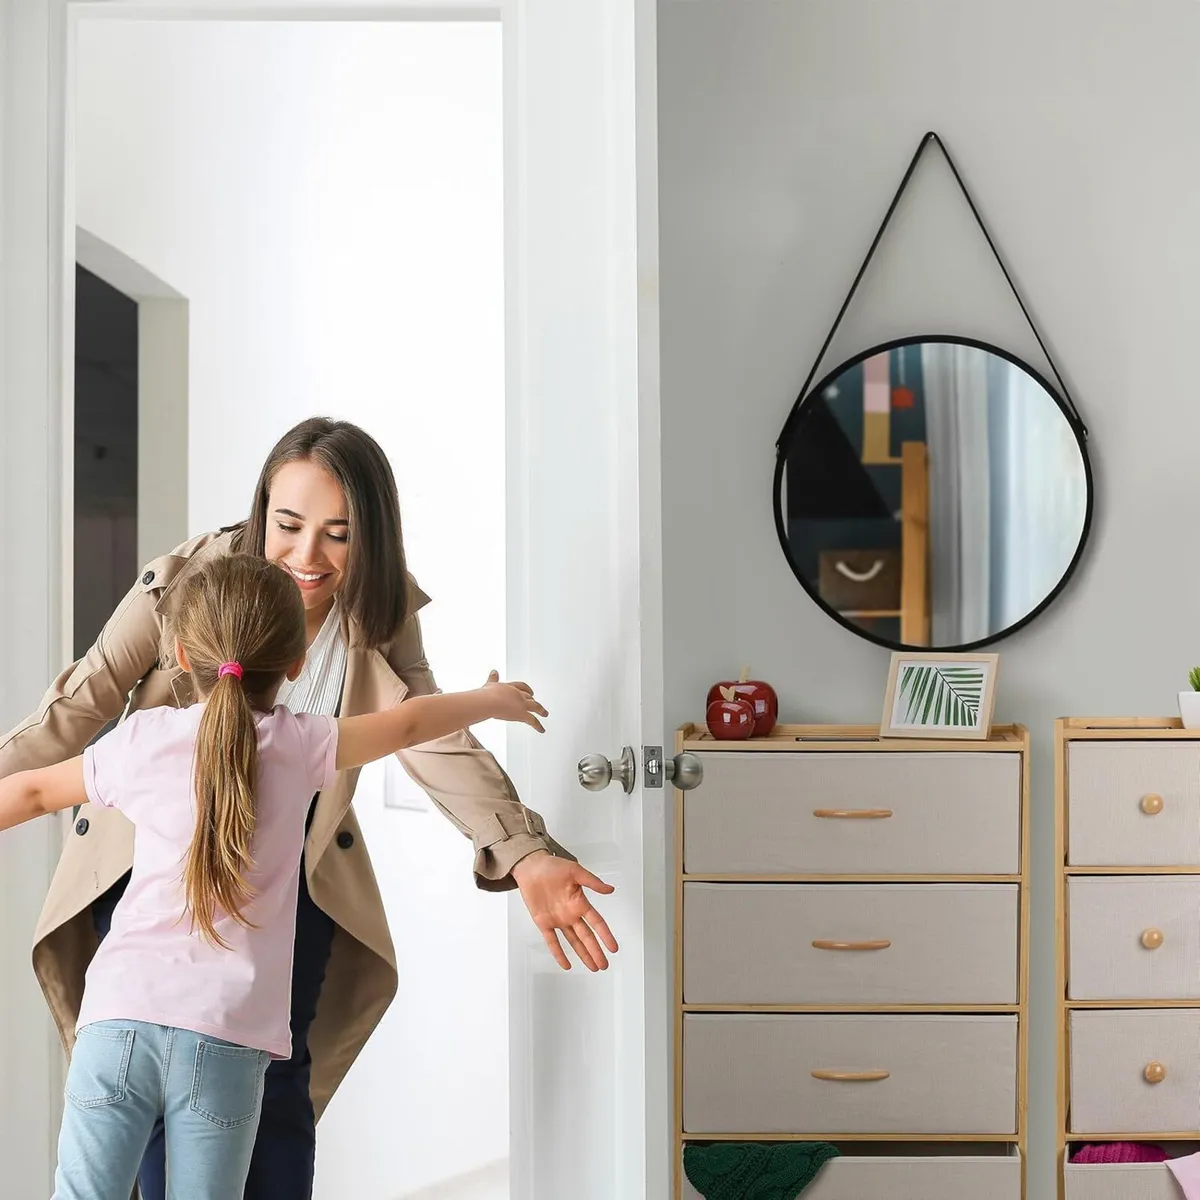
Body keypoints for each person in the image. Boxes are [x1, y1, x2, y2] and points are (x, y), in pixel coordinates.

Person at [0, 417, 618, 1199]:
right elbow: (76, 708)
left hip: (288, 889)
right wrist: (491, 700)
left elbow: (423, 730)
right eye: (289, 526)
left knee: (279, 1103)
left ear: (372, 538)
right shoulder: (188, 582)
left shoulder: (378, 612)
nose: (307, 556)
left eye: (339, 534)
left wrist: (524, 851)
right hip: (151, 869)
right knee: (168, 1121)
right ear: (261, 507)